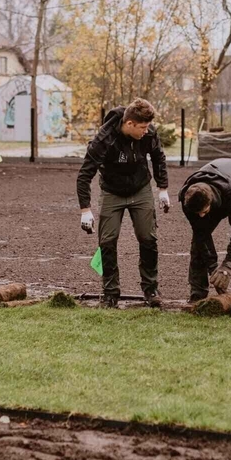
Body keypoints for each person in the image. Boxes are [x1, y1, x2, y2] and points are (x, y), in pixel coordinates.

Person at [76, 98, 169, 308]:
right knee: (107, 241)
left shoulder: (149, 133)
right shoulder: (104, 140)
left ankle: (151, 289)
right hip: (112, 191)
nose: (147, 131)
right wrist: (85, 210)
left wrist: (163, 189)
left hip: (141, 188)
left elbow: (158, 157)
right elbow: (84, 174)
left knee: (148, 237)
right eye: (143, 127)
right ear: (129, 124)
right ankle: (110, 292)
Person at [179, 158, 231, 302]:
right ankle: (197, 294)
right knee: (198, 244)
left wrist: (227, 266)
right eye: (198, 214)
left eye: (204, 212)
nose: (201, 216)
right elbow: (201, 235)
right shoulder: (187, 200)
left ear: (210, 201)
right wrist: (214, 270)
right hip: (218, 193)